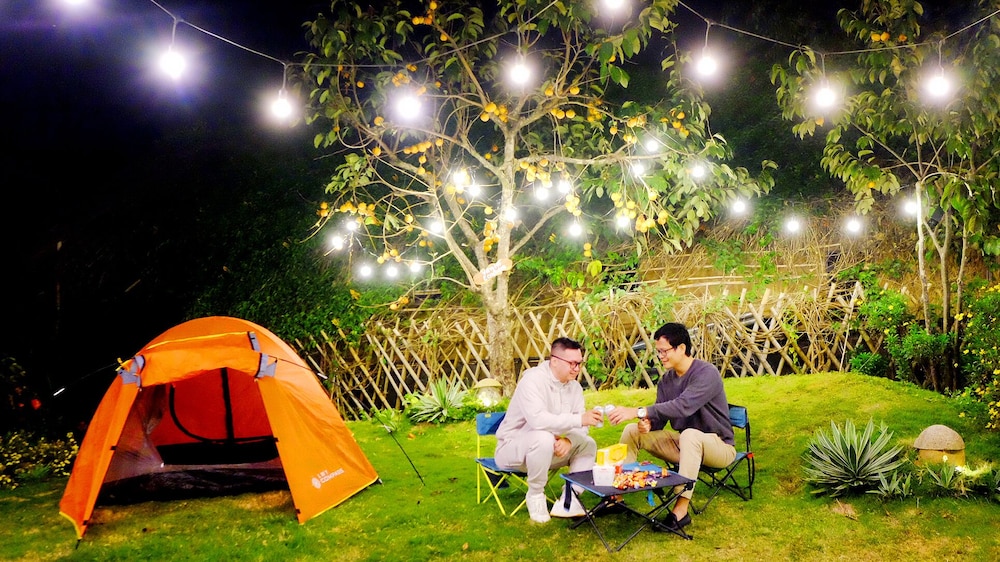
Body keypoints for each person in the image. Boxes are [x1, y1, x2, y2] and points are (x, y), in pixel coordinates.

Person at [607, 322, 735, 532]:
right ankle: (616, 497)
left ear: (681, 348)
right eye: (658, 352)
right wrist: (648, 424)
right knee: (632, 431)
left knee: (690, 435)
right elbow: (660, 418)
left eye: (664, 351)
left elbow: (683, 406)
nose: (661, 356)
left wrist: (639, 411)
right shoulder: (666, 380)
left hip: (719, 447)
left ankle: (680, 511)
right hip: (684, 446)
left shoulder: (706, 373)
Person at [495, 337, 603, 523]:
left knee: (588, 444)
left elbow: (582, 427)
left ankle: (570, 497)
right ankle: (536, 494)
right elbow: (538, 420)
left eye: (579, 363)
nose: (577, 369)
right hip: (512, 450)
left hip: (548, 451)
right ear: (554, 361)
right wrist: (579, 419)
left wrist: (569, 440)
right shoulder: (532, 380)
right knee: (543, 438)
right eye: (572, 363)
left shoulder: (575, 388)